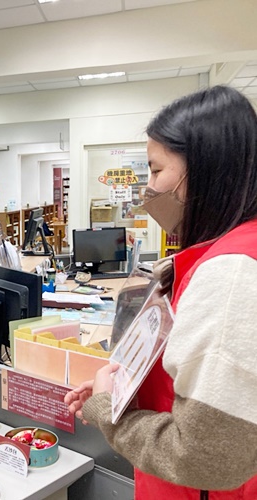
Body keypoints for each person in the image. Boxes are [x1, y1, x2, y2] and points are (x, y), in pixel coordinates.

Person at [64, 86, 257, 499]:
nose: (148, 189)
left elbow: (205, 456)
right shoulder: (232, 252)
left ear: (203, 171)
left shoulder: (231, 273)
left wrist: (110, 415)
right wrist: (119, 394)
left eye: (155, 170)